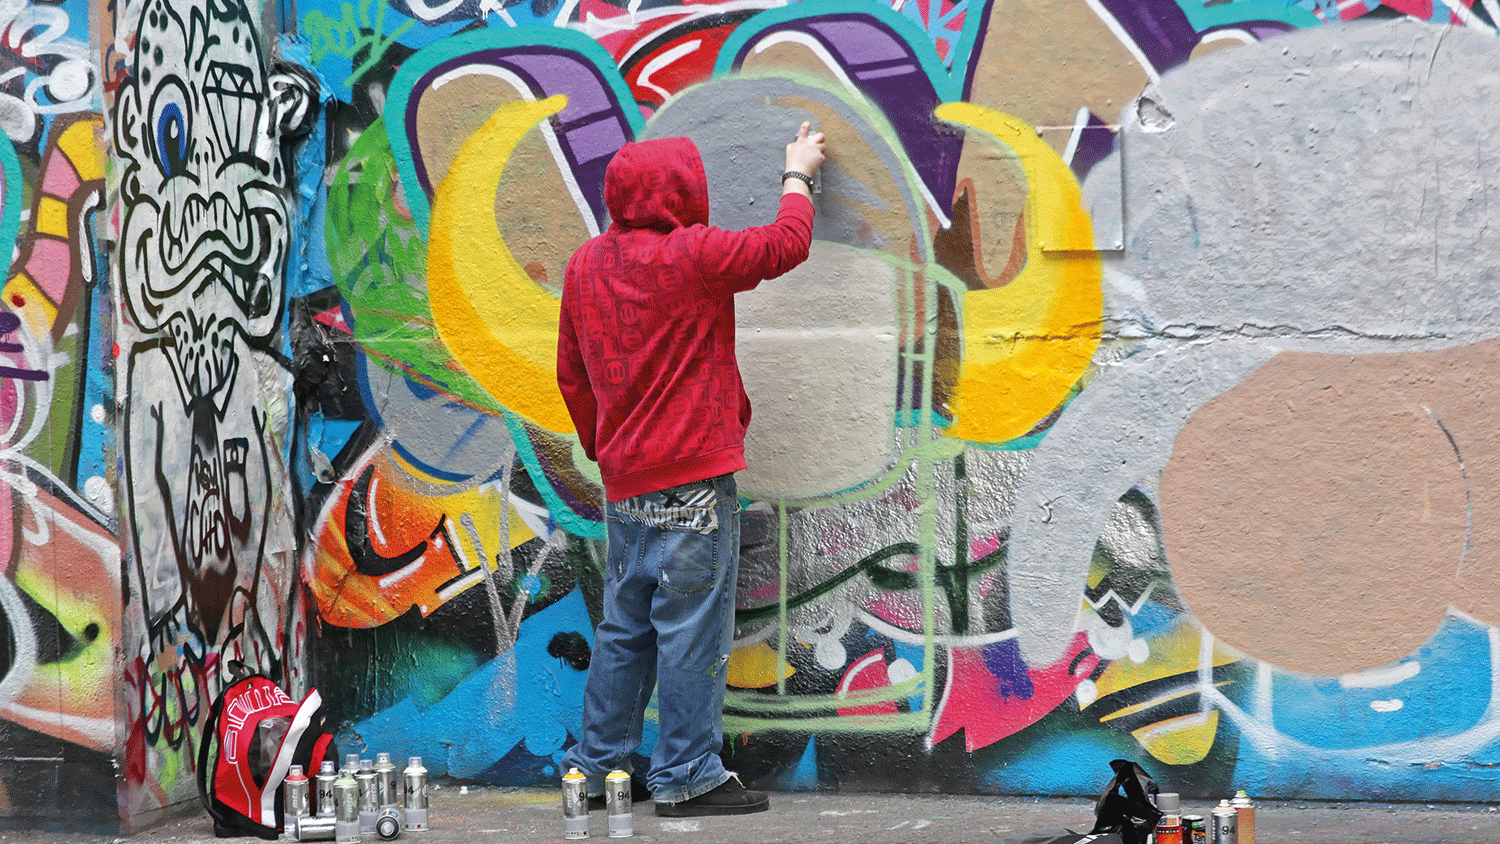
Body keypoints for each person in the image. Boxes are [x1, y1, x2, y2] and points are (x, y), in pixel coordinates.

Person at [555, 122, 827, 817]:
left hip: (627, 483)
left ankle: (595, 773)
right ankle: (686, 775)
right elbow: (784, 244)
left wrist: (603, 448)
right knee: (689, 629)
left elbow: (572, 375)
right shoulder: (694, 254)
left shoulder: (585, 265)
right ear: (684, 190)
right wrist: (797, 171)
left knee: (626, 626)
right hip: (695, 485)